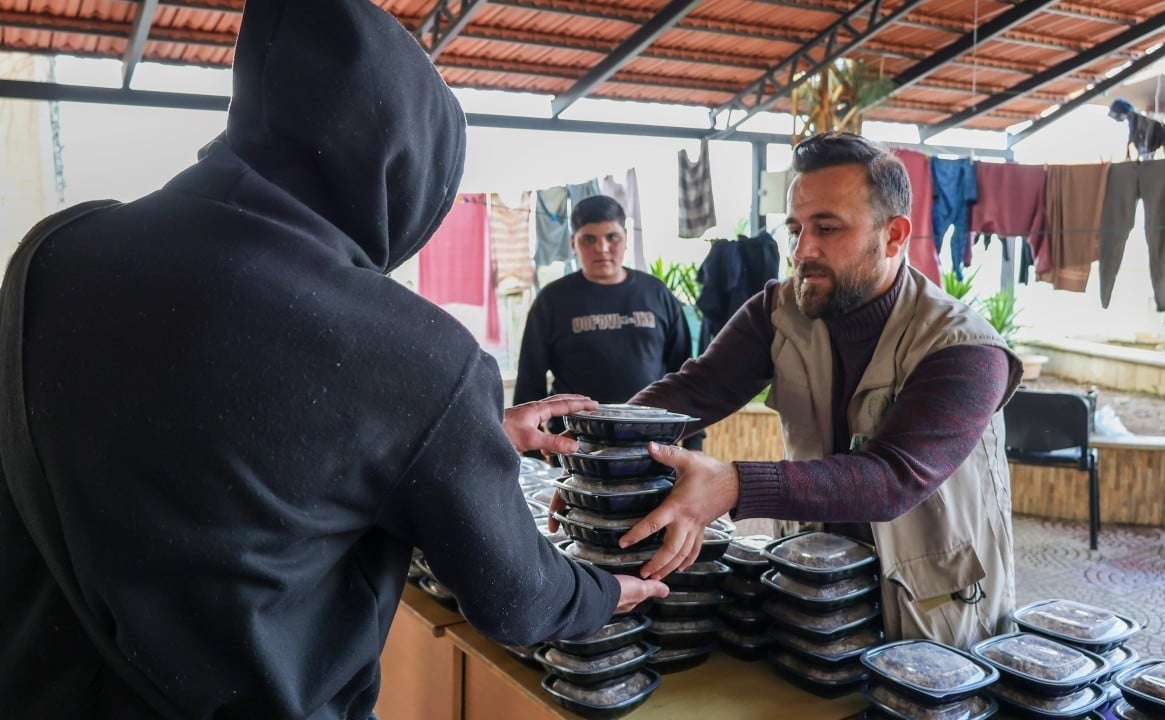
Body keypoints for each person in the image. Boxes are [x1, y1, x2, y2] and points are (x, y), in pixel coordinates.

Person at [0, 1, 666, 718]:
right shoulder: (412, 351)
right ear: (406, 175)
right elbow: (519, 601)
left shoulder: (56, 250)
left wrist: (464, 436)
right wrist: (605, 590)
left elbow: (210, 442)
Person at [617, 132, 1023, 649]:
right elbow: (695, 391)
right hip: (814, 594)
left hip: (935, 612)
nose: (802, 250)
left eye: (827, 228)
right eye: (796, 229)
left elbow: (893, 478)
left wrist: (731, 483)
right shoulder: (780, 311)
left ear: (894, 235)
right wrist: (604, 453)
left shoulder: (965, 349)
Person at [514, 194, 703, 451]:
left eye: (611, 237)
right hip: (577, 447)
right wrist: (532, 454)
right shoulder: (552, 301)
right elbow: (530, 382)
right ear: (573, 243)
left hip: (653, 447)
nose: (602, 248)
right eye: (589, 239)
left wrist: (694, 443)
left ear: (625, 239)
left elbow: (684, 375)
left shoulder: (656, 294)